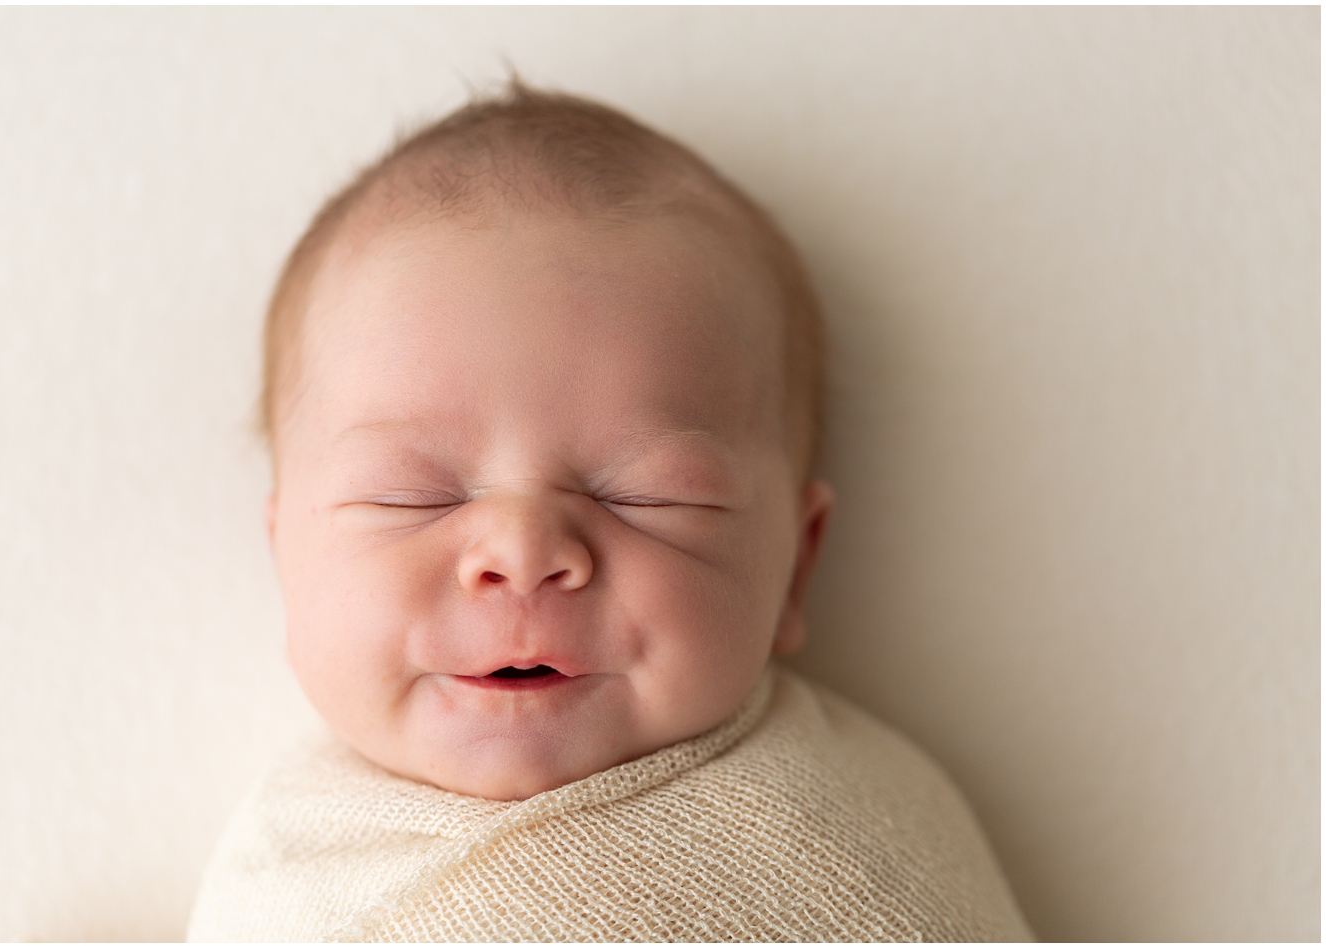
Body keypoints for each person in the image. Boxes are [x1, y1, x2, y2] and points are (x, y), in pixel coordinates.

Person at [188, 81, 1030, 941]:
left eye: (648, 493)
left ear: (795, 567)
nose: (522, 549)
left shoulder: (860, 839)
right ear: (284, 556)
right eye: (412, 493)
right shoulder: (286, 862)